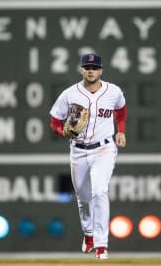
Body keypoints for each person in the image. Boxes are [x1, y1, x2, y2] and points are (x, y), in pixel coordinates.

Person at [49, 52, 127, 259]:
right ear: (82, 70)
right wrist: (61, 131)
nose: (91, 71)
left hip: (104, 149)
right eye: (87, 67)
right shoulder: (69, 94)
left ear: (101, 70)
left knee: (100, 192)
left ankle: (102, 245)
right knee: (83, 198)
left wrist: (121, 131)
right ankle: (89, 234)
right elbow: (55, 119)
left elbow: (121, 109)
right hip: (78, 150)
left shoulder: (113, 91)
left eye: (95, 68)